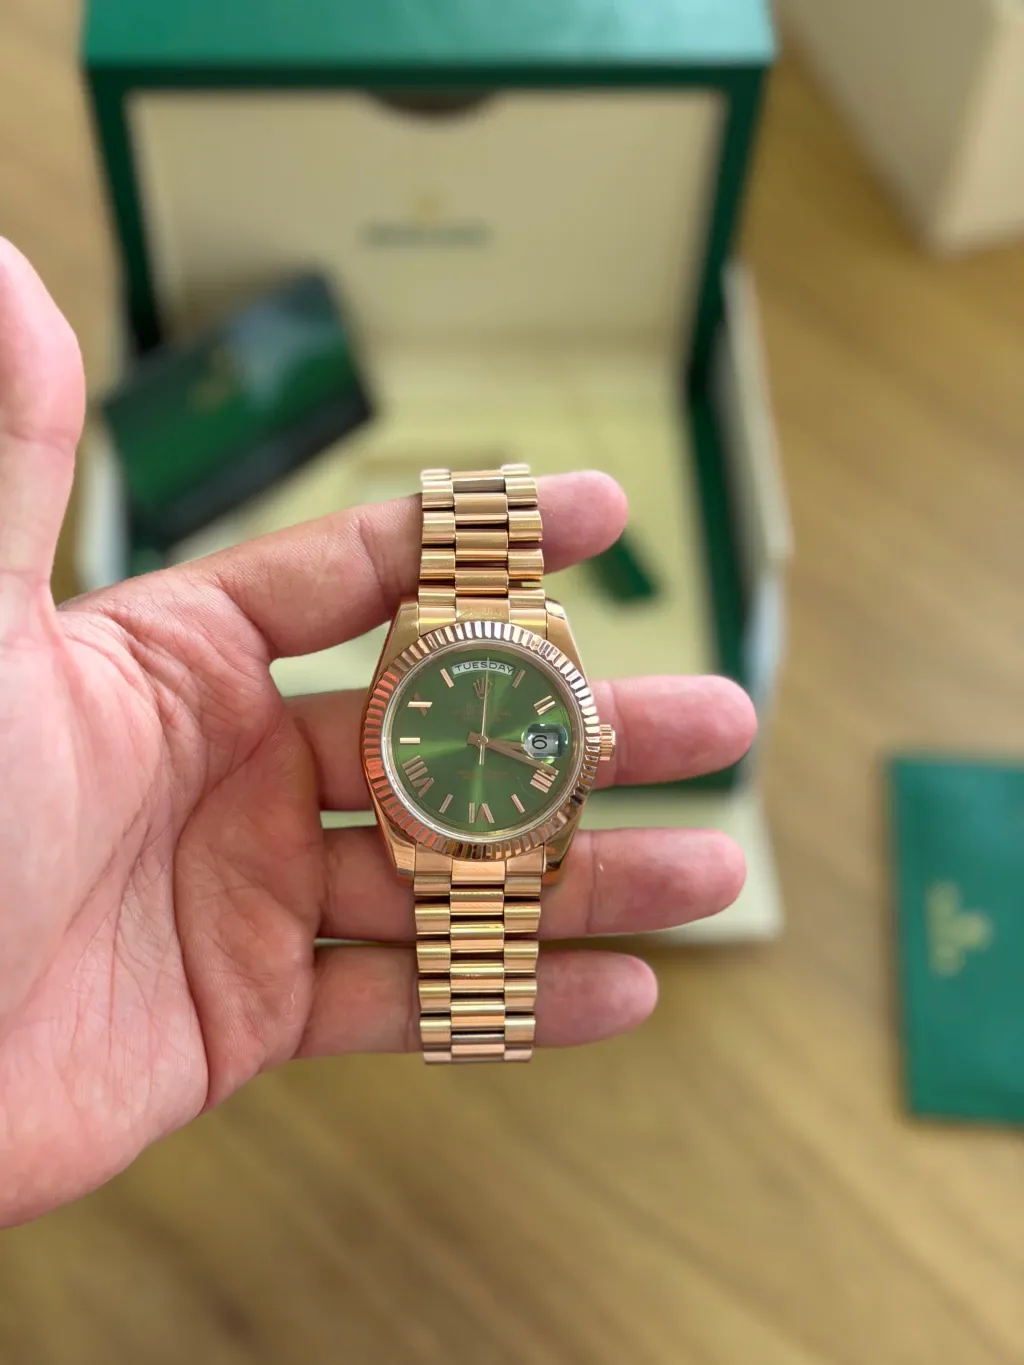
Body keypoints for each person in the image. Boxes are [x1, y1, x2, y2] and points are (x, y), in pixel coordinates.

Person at [0, 239, 756, 1227]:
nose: (484, 745)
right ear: (380, 739)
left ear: (587, 746)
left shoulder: (476, 722)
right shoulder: (444, 724)